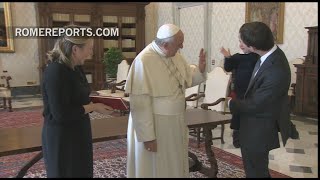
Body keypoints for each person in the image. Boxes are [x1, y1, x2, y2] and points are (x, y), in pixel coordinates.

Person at [125, 24, 206, 178]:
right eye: (179, 43)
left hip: (175, 123)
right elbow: (140, 104)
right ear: (165, 44)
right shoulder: (144, 60)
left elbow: (185, 79)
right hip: (156, 125)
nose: (182, 46)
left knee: (174, 162)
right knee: (156, 167)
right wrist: (148, 137)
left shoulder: (174, 55)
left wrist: (200, 70)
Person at [226, 22, 299, 178]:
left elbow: (256, 104)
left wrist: (230, 103)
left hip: (259, 130)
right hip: (252, 126)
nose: (239, 45)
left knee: (256, 172)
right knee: (253, 169)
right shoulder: (268, 55)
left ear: (253, 46)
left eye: (241, 41)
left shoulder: (276, 68)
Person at [41, 25, 113, 178]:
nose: (91, 52)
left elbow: (81, 97)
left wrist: (105, 102)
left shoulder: (76, 67)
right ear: (75, 49)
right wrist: (93, 107)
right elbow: (61, 114)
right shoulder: (55, 71)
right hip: (62, 137)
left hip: (79, 130)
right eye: (89, 48)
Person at [220, 46, 259, 148]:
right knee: (237, 116)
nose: (241, 45)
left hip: (252, 92)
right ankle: (237, 139)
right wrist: (228, 57)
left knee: (250, 116)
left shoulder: (256, 57)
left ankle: (250, 138)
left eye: (243, 42)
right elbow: (228, 68)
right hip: (239, 92)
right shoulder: (237, 57)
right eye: (240, 42)